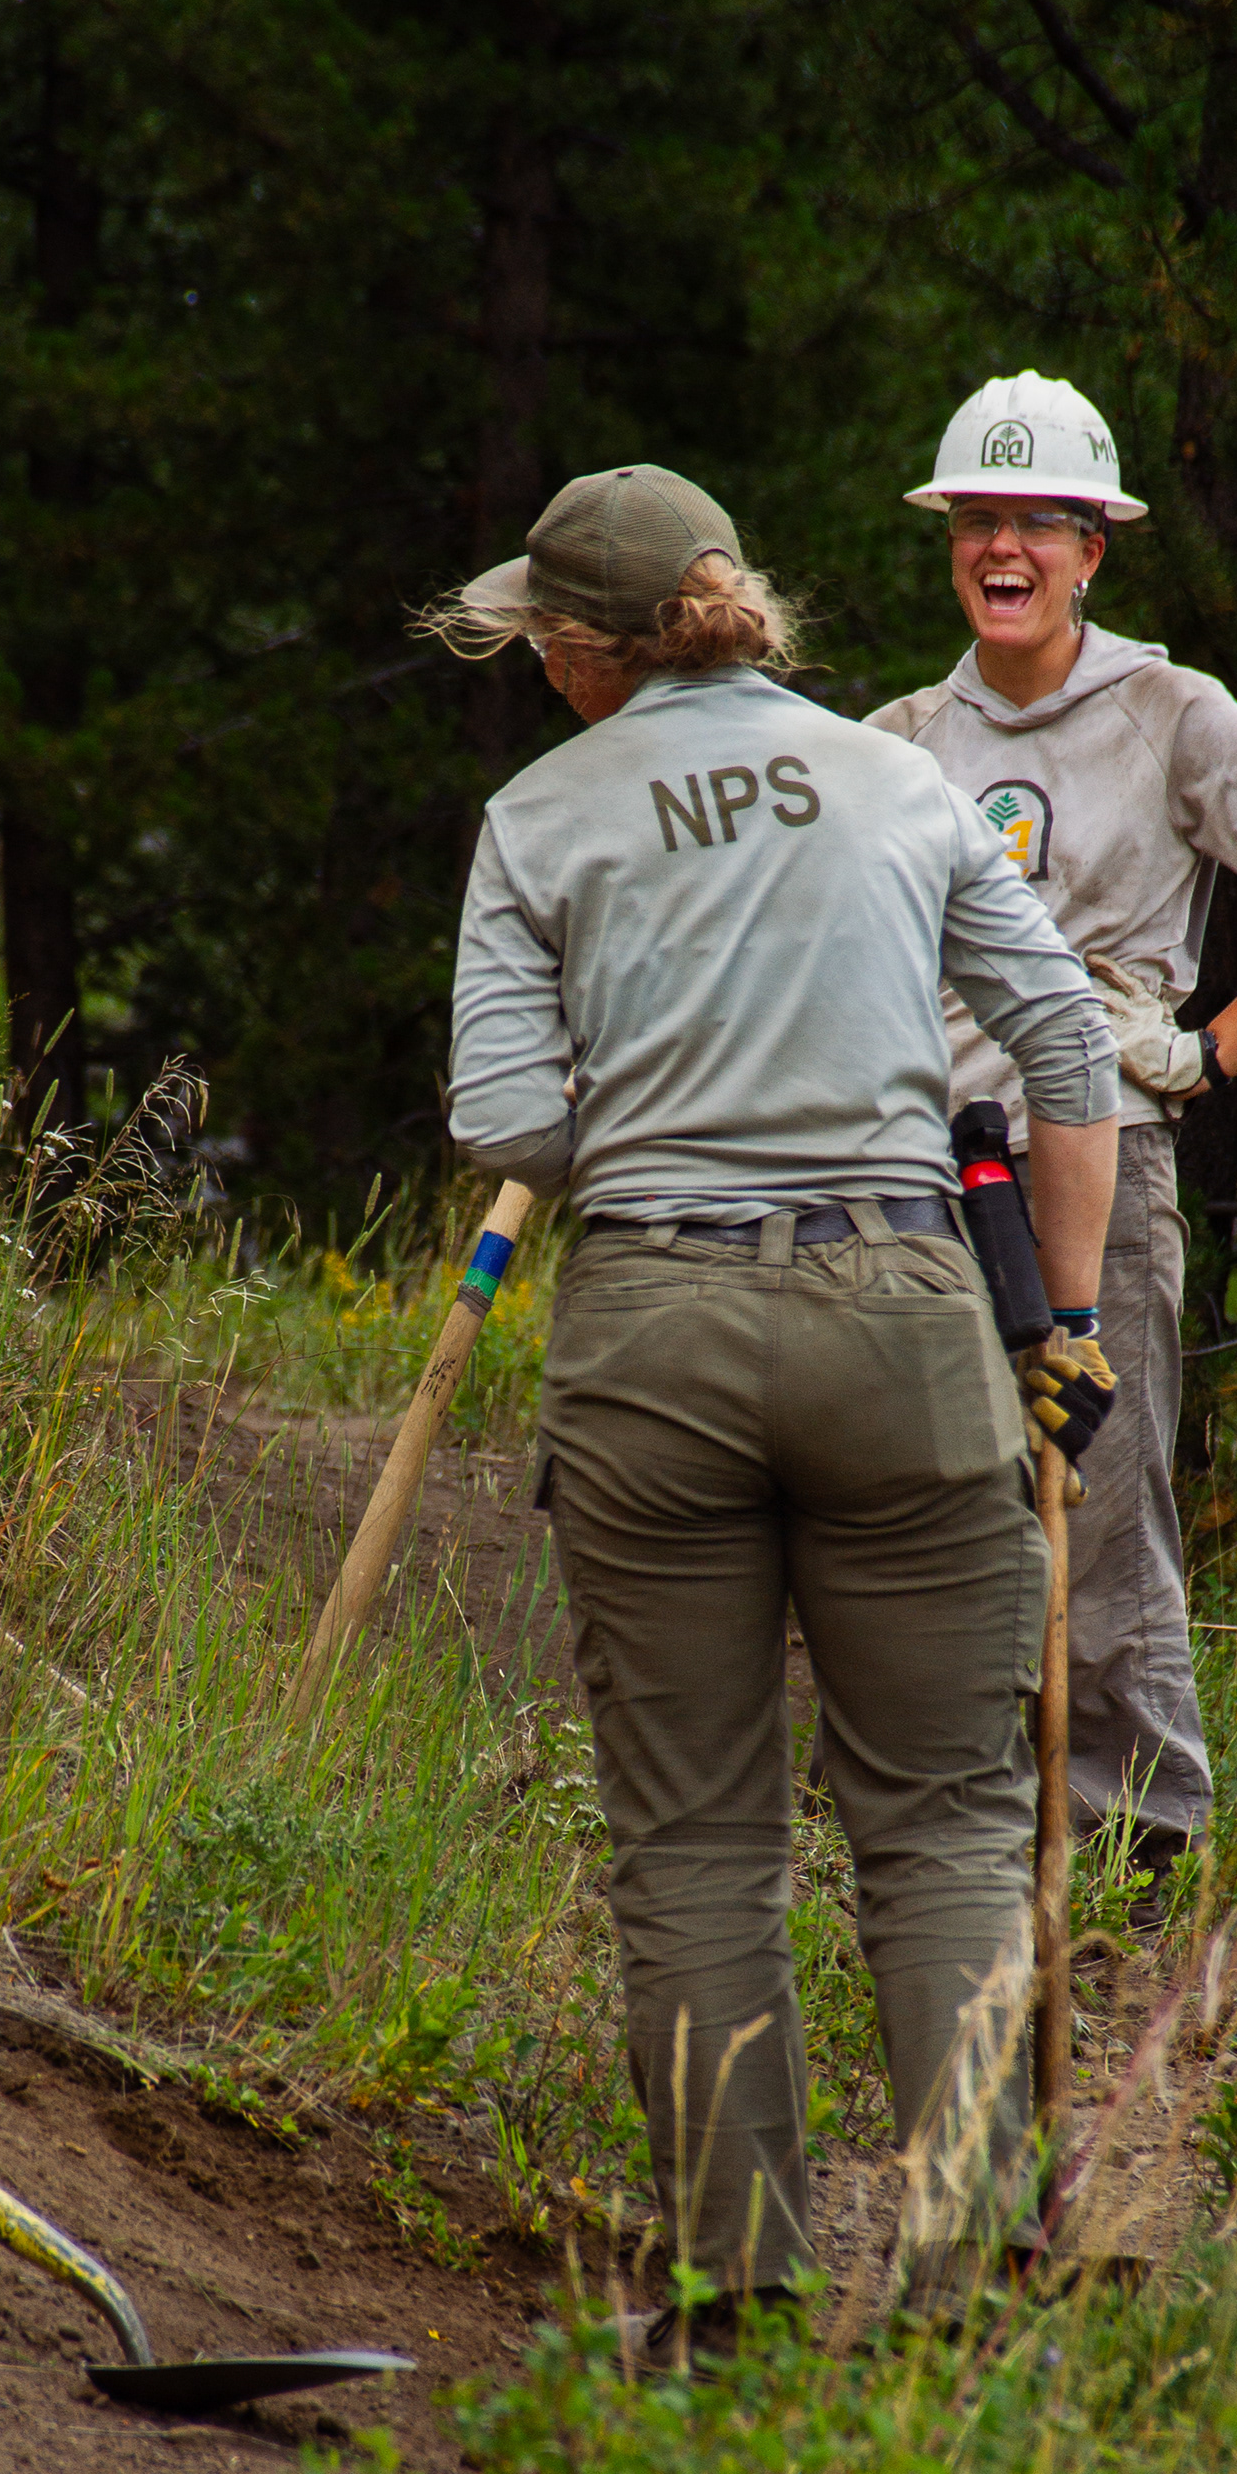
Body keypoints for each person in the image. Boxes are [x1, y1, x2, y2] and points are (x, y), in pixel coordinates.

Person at [430, 462, 1121, 2350]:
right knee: (950, 1824)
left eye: (538, 649)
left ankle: (737, 2301)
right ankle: (971, 2282)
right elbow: (1067, 1043)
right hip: (905, 1312)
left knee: (697, 1840)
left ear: (580, 651)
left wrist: (659, 1098)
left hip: (653, 1324)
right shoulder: (898, 778)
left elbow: (509, 1127)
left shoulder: (535, 817)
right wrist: (1059, 1315)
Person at [869, 375, 1237, 1919]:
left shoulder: (1173, 711)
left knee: (1098, 1502)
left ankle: (1143, 1850)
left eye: (1041, 521)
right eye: (981, 519)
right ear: (951, 543)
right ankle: (973, 1829)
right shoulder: (896, 741)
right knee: (934, 1496)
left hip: (1108, 1162)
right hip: (927, 1166)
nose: (1006, 546)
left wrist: (1207, 1055)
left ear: (1098, 548)